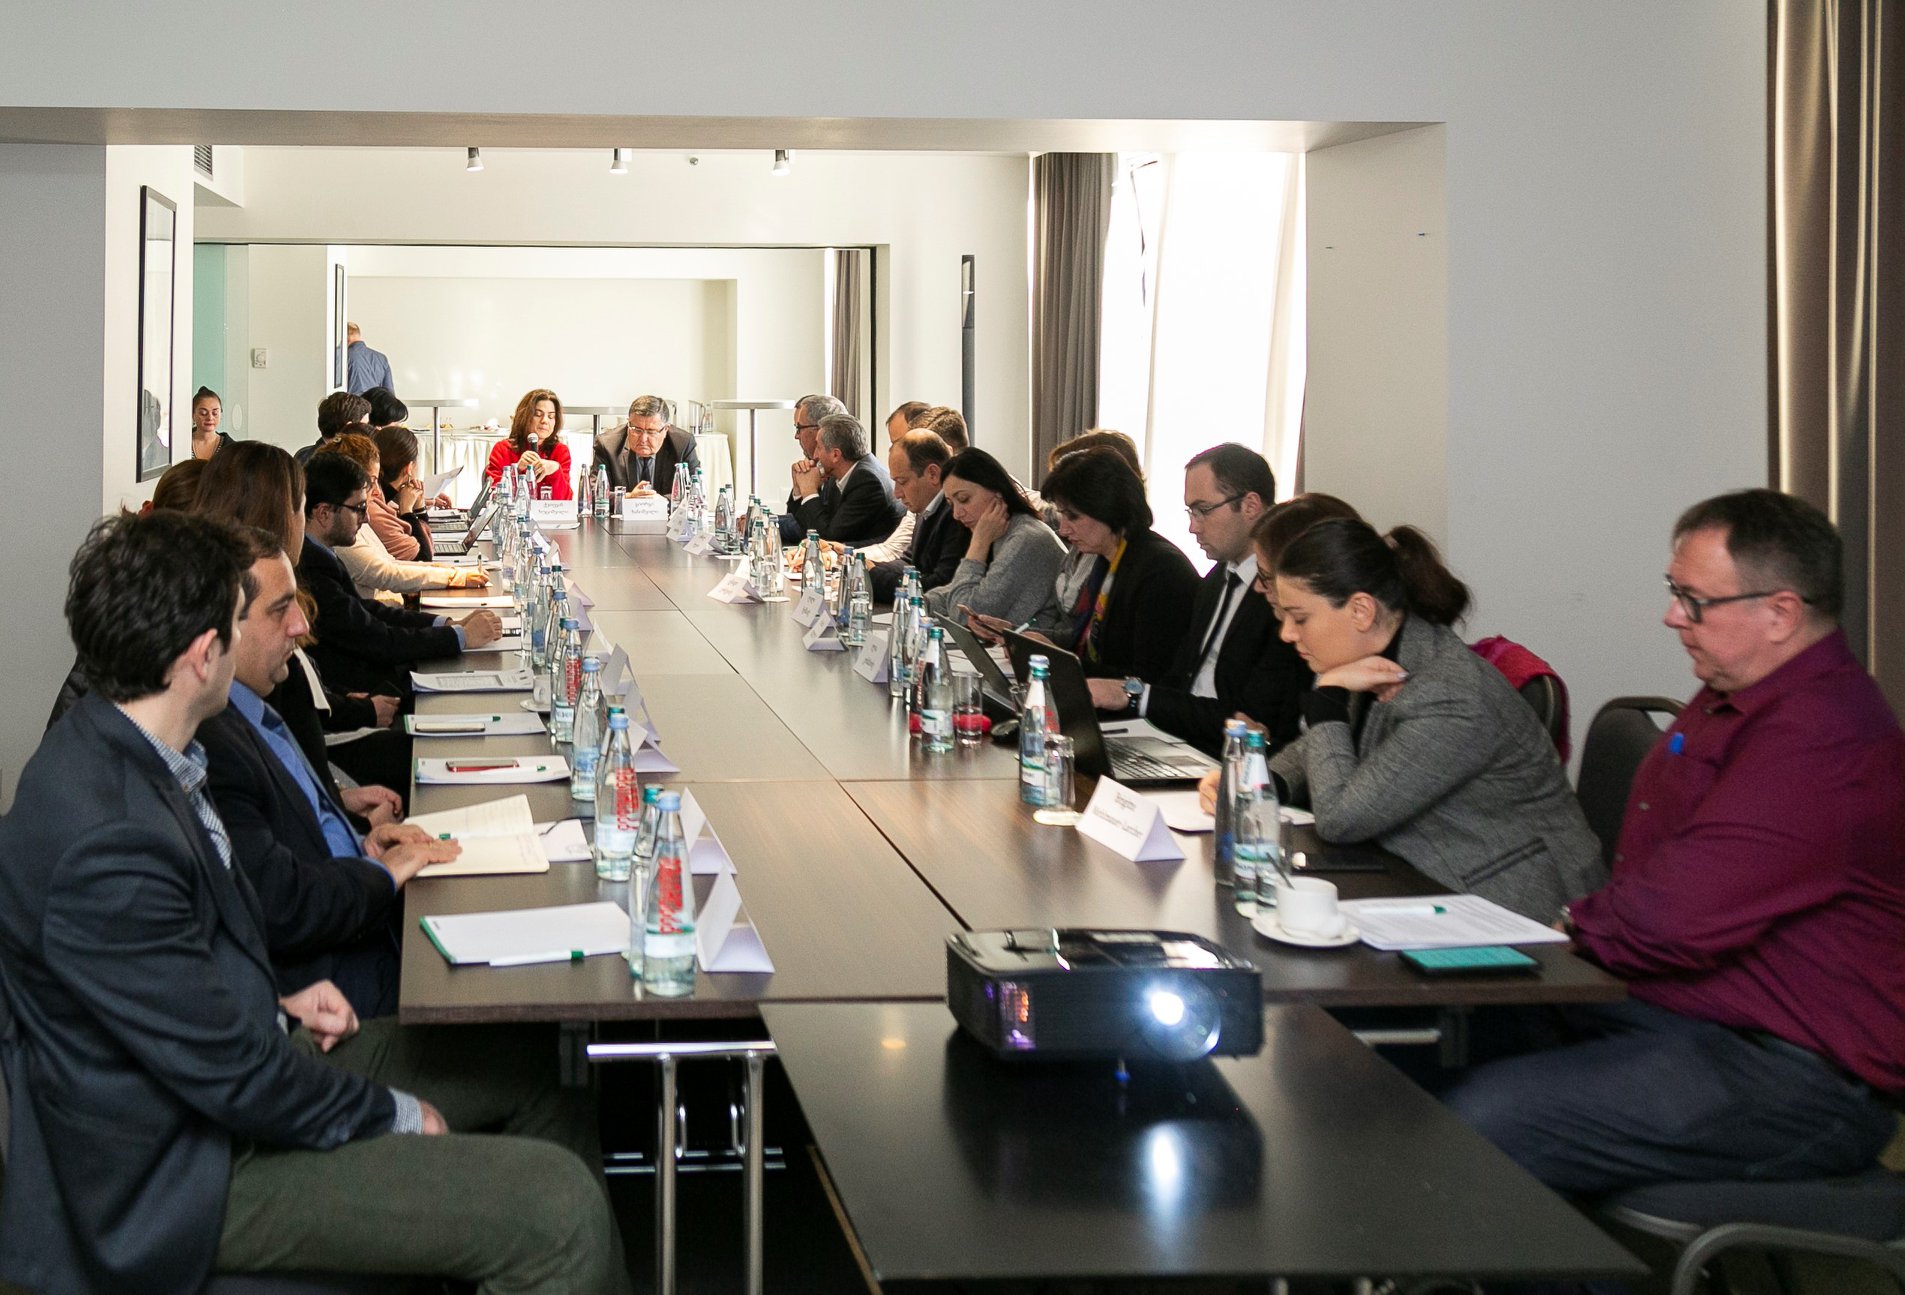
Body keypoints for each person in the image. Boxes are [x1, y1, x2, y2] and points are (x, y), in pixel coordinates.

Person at [0, 511, 623, 1295]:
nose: (284, 634)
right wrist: (393, 1114)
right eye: (241, 620)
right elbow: (232, 1076)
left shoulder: (129, 750)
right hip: (181, 1174)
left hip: (222, 1079)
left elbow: (156, 988)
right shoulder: (110, 839)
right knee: (557, 1210)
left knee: (532, 1061)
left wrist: (273, 1000)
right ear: (201, 653)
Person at [1444, 489, 1905, 1199]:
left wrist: (1568, 928)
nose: (1672, 616)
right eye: (1674, 591)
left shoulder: (1822, 735)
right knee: (1451, 1031)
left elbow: (1672, 915)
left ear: (1780, 613)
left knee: (1482, 1122)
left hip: (1795, 1070)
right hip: (1686, 1007)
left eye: (1695, 600)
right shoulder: (1734, 692)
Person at [1260, 517, 1604, 921]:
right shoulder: (1388, 653)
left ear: (1360, 611)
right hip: (1427, 879)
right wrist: (1264, 783)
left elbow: (1339, 819)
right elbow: (1328, 746)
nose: (1286, 634)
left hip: (1523, 908)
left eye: (1300, 618)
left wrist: (1328, 697)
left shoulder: (1451, 695)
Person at [196, 528, 456, 1017]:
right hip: (341, 984)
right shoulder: (214, 745)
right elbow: (282, 907)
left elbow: (294, 840)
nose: (300, 625)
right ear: (221, 628)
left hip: (359, 925)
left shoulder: (253, 710)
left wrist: (361, 843)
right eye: (281, 609)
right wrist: (379, 874)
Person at [194, 441, 414, 809]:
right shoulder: (256, 608)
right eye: (300, 507)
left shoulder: (224, 588)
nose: (297, 624)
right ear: (282, 515)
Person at [1087, 443, 1306, 756]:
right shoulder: (1217, 579)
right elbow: (1178, 679)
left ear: (1250, 506)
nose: (1193, 527)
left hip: (1225, 754)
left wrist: (1136, 696)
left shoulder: (1282, 602)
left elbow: (1249, 719)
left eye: (1203, 510)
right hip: (1175, 740)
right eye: (1190, 512)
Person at [298, 453, 502, 698]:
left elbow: (368, 610)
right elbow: (376, 639)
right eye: (359, 508)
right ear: (323, 513)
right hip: (367, 691)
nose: (367, 517)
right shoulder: (313, 568)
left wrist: (445, 624)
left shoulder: (322, 553)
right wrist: (460, 636)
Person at [1002, 447, 1200, 682]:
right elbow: (1093, 645)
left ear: (1108, 507)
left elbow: (1147, 680)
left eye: (1073, 516)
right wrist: (1034, 642)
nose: (1063, 530)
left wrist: (1056, 660)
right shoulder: (1109, 558)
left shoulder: (1161, 572)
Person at [318, 434, 486, 599]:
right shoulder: (342, 525)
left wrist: (451, 572)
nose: (376, 490)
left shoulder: (356, 517)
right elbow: (384, 572)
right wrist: (453, 577)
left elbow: (390, 562)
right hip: (383, 612)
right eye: (372, 480)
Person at [928, 447, 1063, 624]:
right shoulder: (1004, 532)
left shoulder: (1026, 539)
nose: (956, 514)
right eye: (951, 504)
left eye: (963, 499)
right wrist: (921, 602)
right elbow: (958, 592)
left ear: (997, 492)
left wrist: (978, 544)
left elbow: (966, 614)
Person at [866, 430, 972, 603]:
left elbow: (940, 585)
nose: (897, 493)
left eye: (902, 482)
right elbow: (910, 563)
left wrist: (874, 575)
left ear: (933, 474)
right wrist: (865, 565)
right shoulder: (927, 508)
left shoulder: (957, 515)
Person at [789, 412, 906, 546]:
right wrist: (799, 488)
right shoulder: (839, 475)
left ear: (835, 455)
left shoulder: (867, 481)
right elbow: (807, 526)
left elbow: (827, 539)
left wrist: (809, 491)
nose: (815, 456)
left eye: (819, 448)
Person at [593, 393, 700, 495]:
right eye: (637, 430)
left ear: (666, 429)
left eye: (651, 431)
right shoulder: (607, 445)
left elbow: (695, 491)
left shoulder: (683, 444)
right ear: (628, 425)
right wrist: (627, 498)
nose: (643, 439)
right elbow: (594, 493)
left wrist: (659, 501)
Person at [485, 387, 573, 500]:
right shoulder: (503, 449)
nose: (545, 421)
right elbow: (493, 495)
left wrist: (556, 471)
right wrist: (516, 470)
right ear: (524, 417)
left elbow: (566, 501)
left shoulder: (560, 451)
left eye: (551, 416)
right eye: (538, 414)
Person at [370, 422, 435, 559]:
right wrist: (407, 511)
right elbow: (423, 557)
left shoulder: (386, 497)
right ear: (409, 468)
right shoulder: (376, 506)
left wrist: (418, 507)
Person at [298, 390, 370, 467]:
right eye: (365, 425)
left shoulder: (303, 457)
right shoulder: (347, 467)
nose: (369, 430)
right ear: (349, 428)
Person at [344, 321, 394, 397]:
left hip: (352, 403)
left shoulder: (343, 357)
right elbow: (390, 393)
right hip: (376, 403)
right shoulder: (381, 358)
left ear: (345, 338)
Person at [190, 385, 233, 460]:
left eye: (215, 413)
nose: (210, 418)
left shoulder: (231, 448)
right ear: (193, 414)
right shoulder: (181, 443)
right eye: (203, 413)